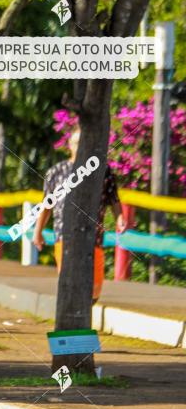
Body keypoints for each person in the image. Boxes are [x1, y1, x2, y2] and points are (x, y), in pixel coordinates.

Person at [33, 128, 128, 304]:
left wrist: (120, 217)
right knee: (69, 280)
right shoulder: (56, 172)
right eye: (77, 143)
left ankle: (84, 311)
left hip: (94, 236)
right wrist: (37, 232)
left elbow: (113, 198)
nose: (81, 147)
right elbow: (47, 204)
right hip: (65, 235)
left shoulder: (102, 171)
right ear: (70, 146)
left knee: (95, 286)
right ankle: (73, 319)